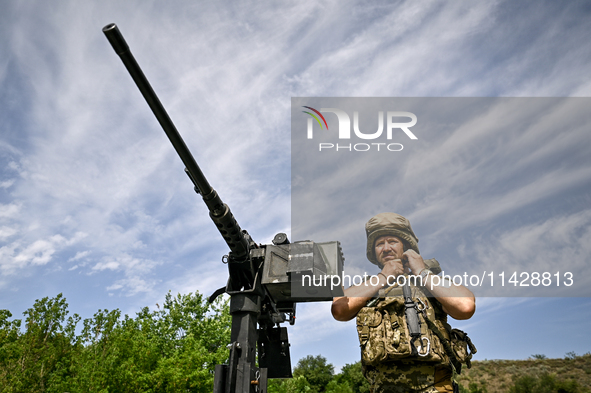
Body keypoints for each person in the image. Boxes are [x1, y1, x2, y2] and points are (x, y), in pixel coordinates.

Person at [331, 212, 476, 393]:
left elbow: (465, 307)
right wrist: (383, 277)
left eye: (392, 241)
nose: (385, 248)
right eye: (379, 244)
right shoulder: (369, 287)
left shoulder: (428, 282)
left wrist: (422, 271)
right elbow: (339, 309)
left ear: (406, 246)